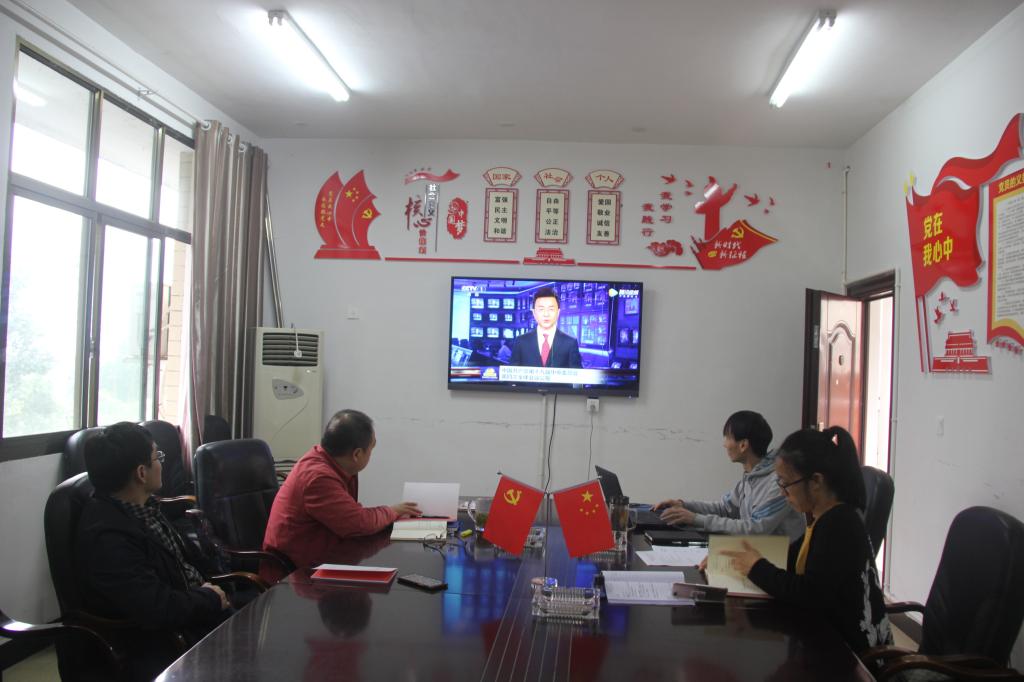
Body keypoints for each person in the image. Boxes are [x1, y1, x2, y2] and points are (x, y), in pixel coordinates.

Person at [76, 422, 232, 681]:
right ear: (141, 472)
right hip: (172, 640)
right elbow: (156, 607)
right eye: (157, 457)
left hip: (199, 611)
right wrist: (210, 599)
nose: (161, 463)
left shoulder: (143, 508)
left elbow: (182, 563)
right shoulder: (108, 537)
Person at [720, 426, 892, 654]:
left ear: (816, 481)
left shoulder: (839, 524)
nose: (782, 492)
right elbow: (790, 557)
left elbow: (809, 593)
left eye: (785, 483)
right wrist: (728, 558)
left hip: (853, 656)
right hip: (825, 637)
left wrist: (756, 567)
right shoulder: (824, 517)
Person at [263, 409, 422, 570]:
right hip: (292, 574)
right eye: (371, 448)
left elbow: (350, 517)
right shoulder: (318, 477)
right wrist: (393, 511)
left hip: (322, 559)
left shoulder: (330, 461)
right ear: (357, 455)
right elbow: (358, 523)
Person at [654, 411, 805, 541]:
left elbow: (755, 529)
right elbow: (724, 509)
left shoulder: (778, 481)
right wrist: (683, 505)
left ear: (743, 445)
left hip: (783, 558)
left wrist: (695, 519)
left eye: (727, 437)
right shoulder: (751, 477)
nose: (724, 444)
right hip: (757, 552)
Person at [509, 286, 583, 368]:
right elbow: (512, 373)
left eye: (551, 309)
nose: (546, 314)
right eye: (541, 309)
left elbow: (577, 374)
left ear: (558, 312)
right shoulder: (521, 341)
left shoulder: (570, 342)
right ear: (534, 313)